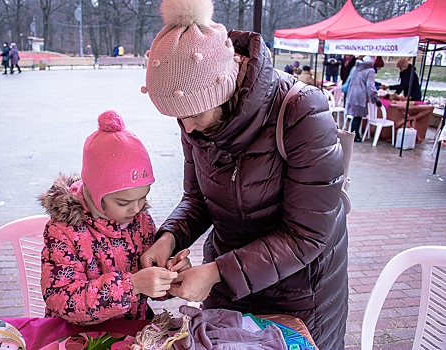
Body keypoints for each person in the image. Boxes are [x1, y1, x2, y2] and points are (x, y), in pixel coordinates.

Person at [140, 0, 348, 348]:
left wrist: (217, 272)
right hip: (227, 285)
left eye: (195, 116)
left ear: (222, 90)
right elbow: (198, 198)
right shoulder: (194, 117)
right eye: (179, 119)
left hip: (299, 291)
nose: (187, 129)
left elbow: (307, 235)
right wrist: (169, 238)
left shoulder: (301, 111)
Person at [39, 110, 191, 325]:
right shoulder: (63, 230)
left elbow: (148, 282)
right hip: (76, 336)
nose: (136, 209)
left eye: (143, 197)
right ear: (95, 192)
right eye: (123, 202)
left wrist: (169, 277)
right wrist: (132, 285)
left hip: (132, 329)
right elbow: (61, 298)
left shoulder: (141, 222)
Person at [345, 56, 381, 142]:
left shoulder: (356, 68)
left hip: (352, 94)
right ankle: (354, 135)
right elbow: (370, 87)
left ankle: (355, 134)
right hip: (361, 96)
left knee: (356, 116)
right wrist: (376, 99)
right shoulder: (370, 71)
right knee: (358, 116)